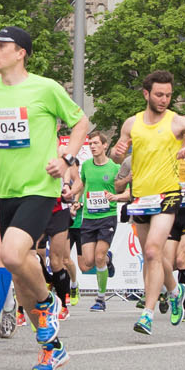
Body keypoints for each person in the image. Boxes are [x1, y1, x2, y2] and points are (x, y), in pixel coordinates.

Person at [0, 26, 87, 370]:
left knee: (11, 255)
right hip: (6, 190)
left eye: (2, 45)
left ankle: (47, 304)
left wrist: (67, 159)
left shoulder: (46, 88)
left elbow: (81, 123)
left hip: (40, 187)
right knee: (19, 274)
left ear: (21, 53)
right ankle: (51, 348)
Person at [113, 71, 185, 335]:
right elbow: (117, 155)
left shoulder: (179, 122)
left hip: (168, 195)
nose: (164, 100)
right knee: (156, 256)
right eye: (159, 95)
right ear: (146, 94)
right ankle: (175, 290)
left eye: (168, 95)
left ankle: (147, 314)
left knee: (152, 251)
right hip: (140, 196)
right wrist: (116, 153)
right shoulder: (131, 123)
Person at [75, 132, 121, 311]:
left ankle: (100, 299)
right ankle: (108, 259)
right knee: (88, 262)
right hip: (88, 217)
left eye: (96, 143)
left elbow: (125, 190)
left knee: (99, 257)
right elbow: (81, 185)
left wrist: (116, 197)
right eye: (90, 144)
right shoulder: (86, 165)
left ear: (104, 145)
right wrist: (75, 199)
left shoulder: (115, 168)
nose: (92, 146)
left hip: (107, 216)